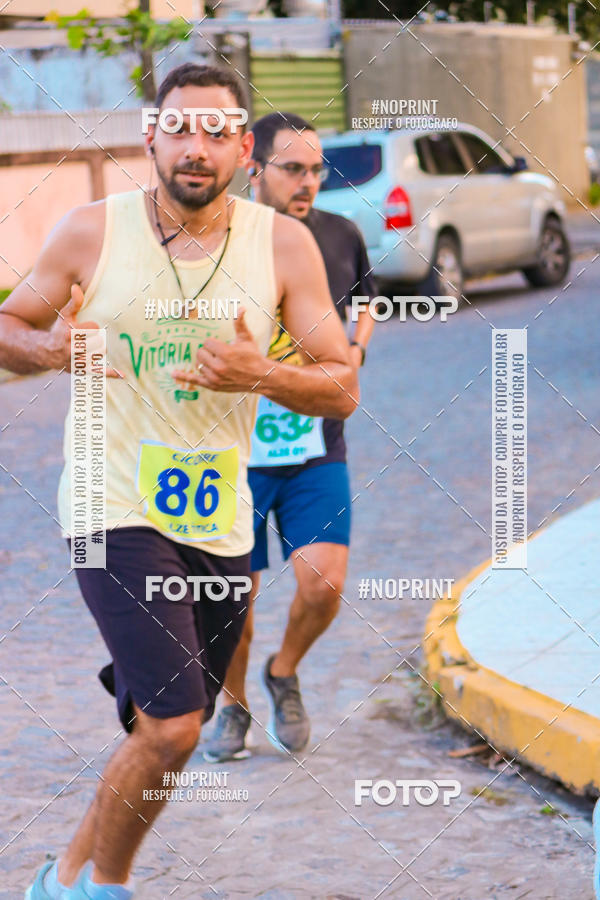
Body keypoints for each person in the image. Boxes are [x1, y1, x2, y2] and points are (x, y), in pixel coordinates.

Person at [0, 63, 358, 900]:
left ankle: (58, 882)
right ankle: (105, 890)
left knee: (158, 730)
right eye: (179, 127)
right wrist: (55, 351)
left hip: (219, 515)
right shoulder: (92, 232)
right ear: (150, 136)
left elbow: (341, 381)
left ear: (242, 145)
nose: (195, 147)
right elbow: (10, 324)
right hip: (108, 500)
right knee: (174, 725)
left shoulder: (284, 245)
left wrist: (259, 374)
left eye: (216, 130)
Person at [203, 112, 375, 763]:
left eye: (315, 169)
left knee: (323, 583)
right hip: (232, 452)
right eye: (292, 168)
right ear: (255, 166)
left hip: (313, 444)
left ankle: (285, 670)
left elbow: (367, 300)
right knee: (231, 597)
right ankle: (234, 705)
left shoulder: (337, 234)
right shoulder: (217, 239)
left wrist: (353, 354)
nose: (307, 182)